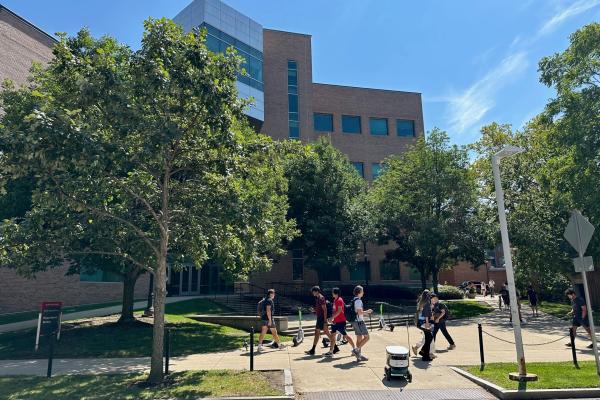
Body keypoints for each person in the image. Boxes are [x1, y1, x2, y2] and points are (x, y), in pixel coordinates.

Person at [326, 287, 358, 357]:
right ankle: (331, 351)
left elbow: (339, 311)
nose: (332, 293)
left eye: (332, 292)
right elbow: (334, 311)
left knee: (345, 336)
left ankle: (355, 349)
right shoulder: (335, 300)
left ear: (336, 293)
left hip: (341, 321)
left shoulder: (339, 300)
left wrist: (332, 317)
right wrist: (331, 318)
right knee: (332, 336)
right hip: (335, 322)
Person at [305, 286, 334, 356]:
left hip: (322, 319)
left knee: (326, 332)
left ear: (317, 291)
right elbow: (320, 309)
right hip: (319, 318)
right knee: (317, 333)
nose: (312, 293)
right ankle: (313, 350)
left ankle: (333, 347)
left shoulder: (321, 298)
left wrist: (325, 321)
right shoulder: (318, 298)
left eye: (313, 292)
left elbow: (325, 310)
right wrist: (314, 310)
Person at [350, 285, 373, 361]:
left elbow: (357, 312)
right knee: (367, 337)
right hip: (359, 322)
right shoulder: (358, 301)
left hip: (355, 321)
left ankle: (359, 356)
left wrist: (365, 313)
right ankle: (356, 350)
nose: (363, 292)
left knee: (359, 338)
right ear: (359, 292)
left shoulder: (354, 300)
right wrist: (367, 311)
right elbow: (360, 312)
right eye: (362, 291)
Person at [411, 289, 434, 361]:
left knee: (428, 338)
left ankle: (424, 354)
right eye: (430, 295)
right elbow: (426, 314)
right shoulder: (427, 302)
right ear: (428, 295)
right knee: (429, 338)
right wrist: (427, 323)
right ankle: (425, 356)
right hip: (424, 322)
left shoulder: (421, 302)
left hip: (420, 322)